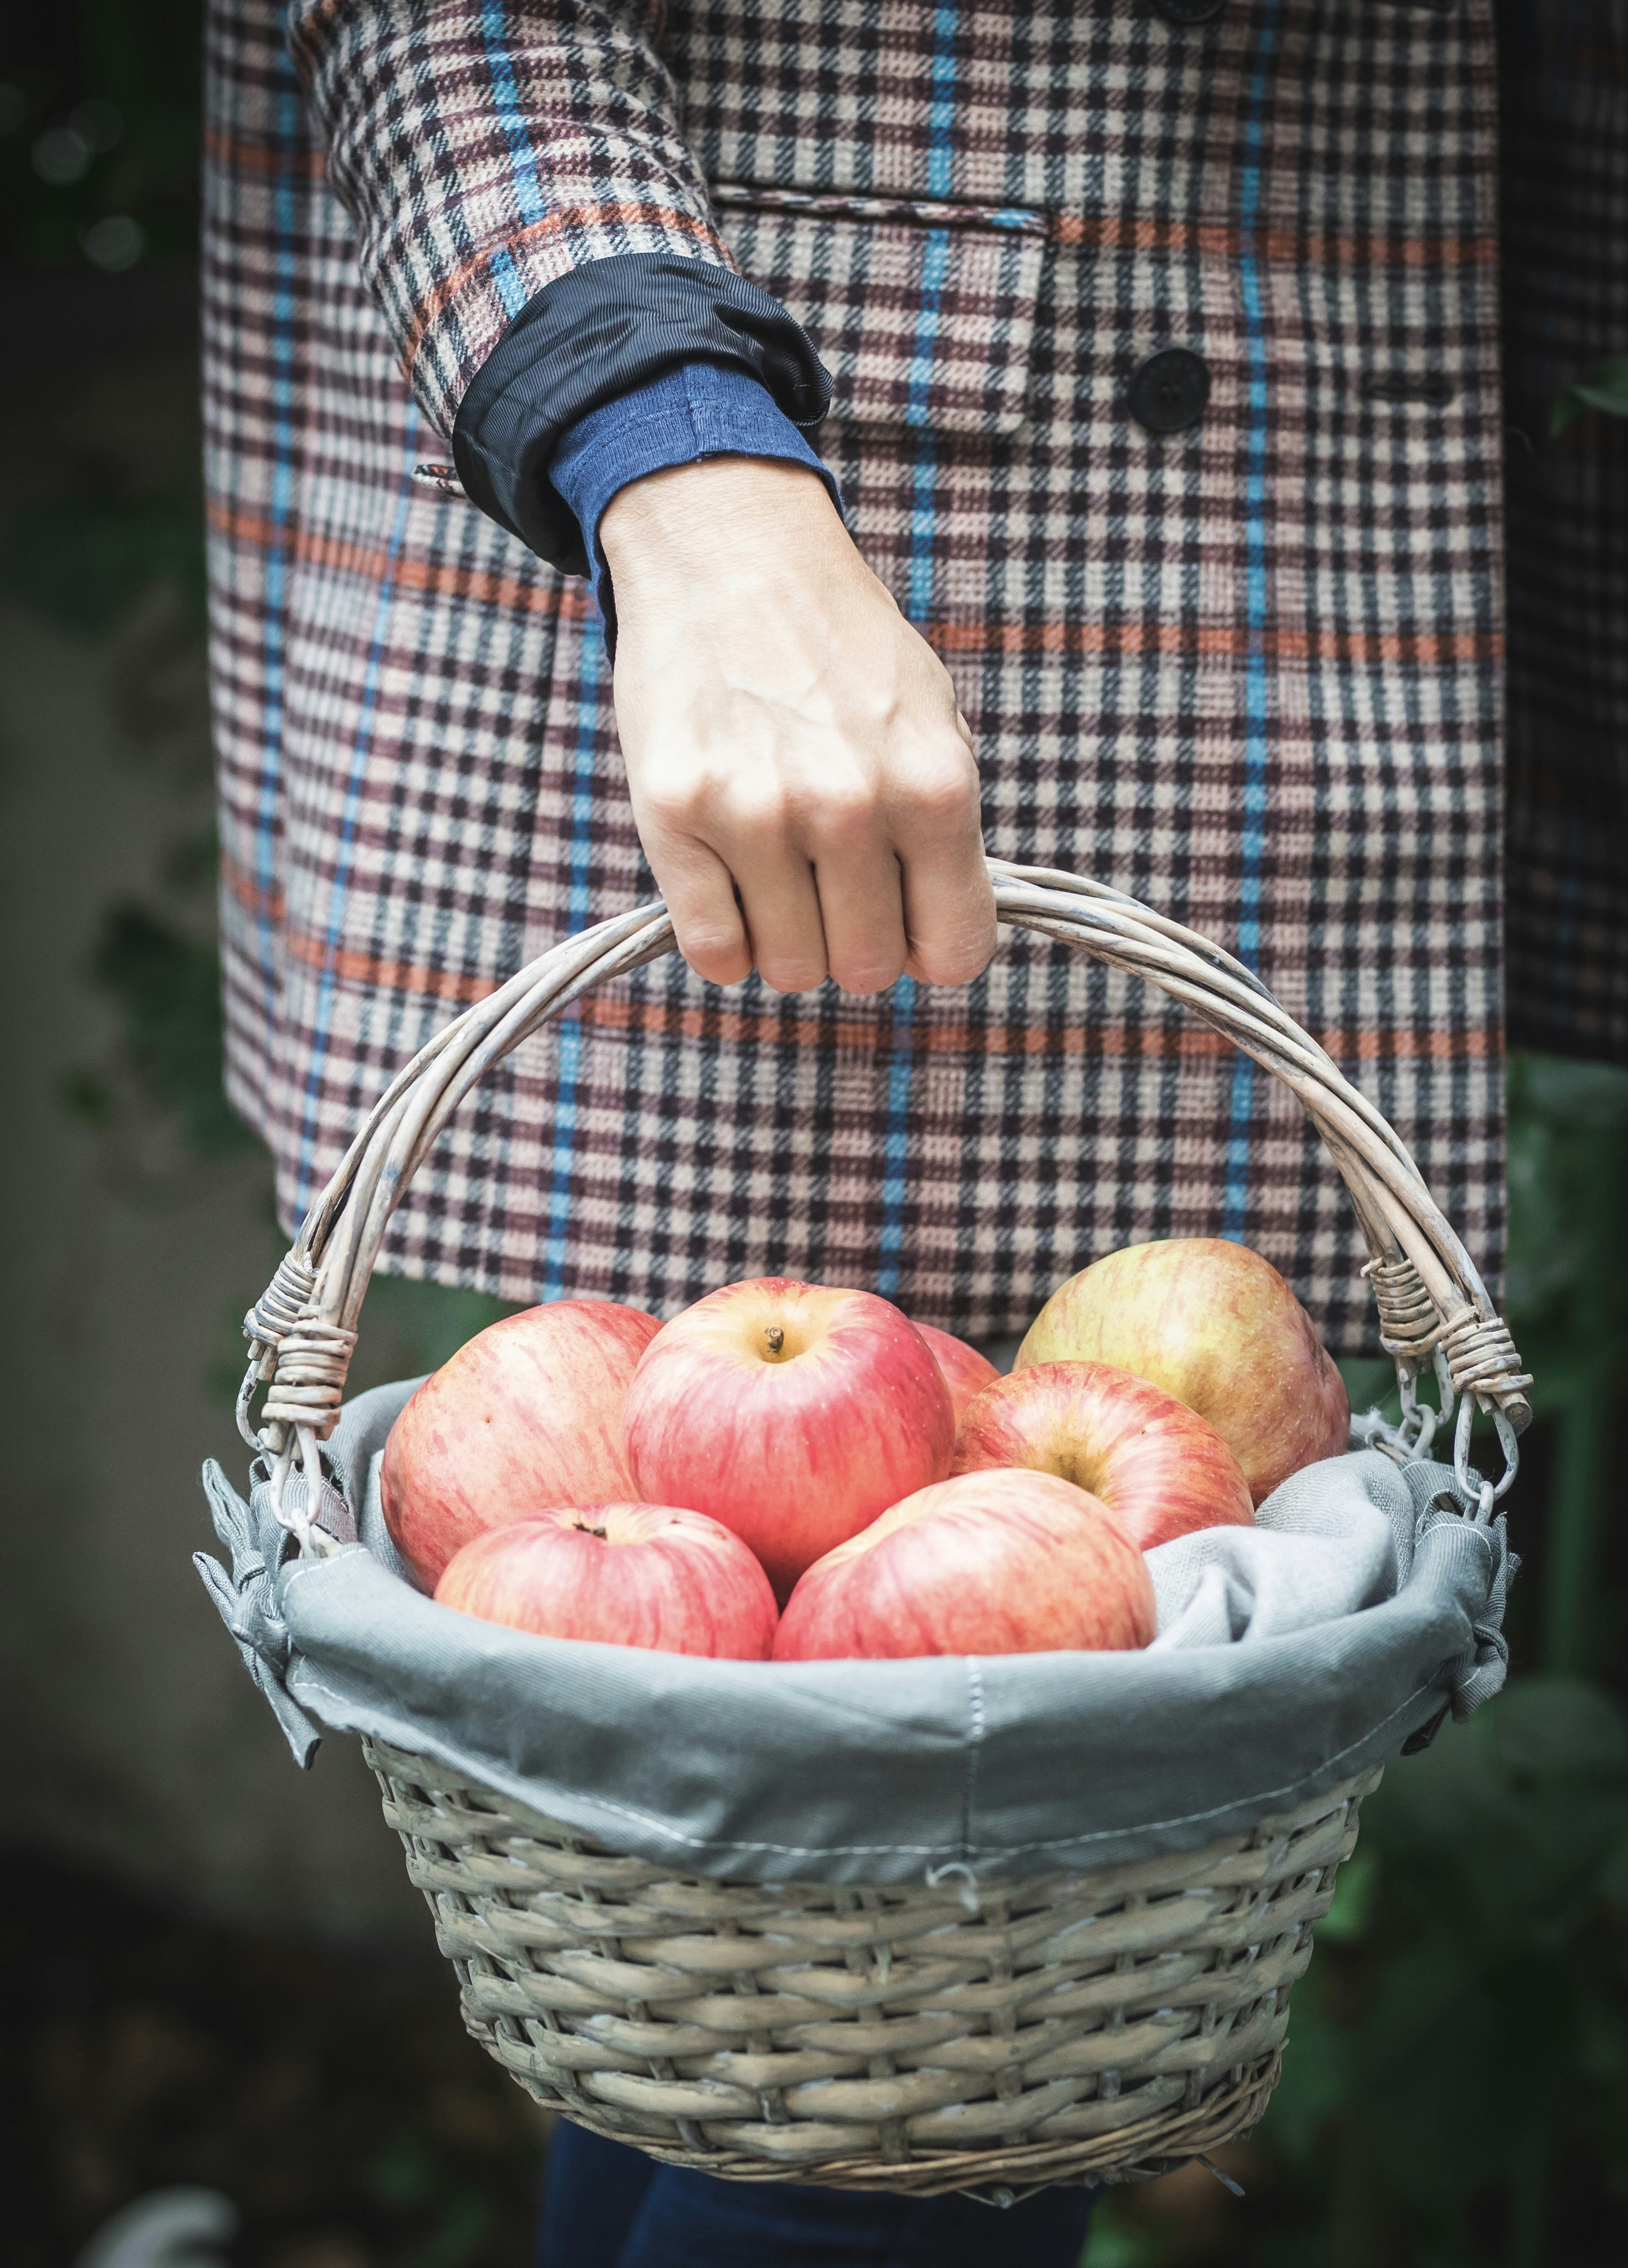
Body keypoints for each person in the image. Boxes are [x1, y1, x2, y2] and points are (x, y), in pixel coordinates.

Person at [202, 1, 1532, 2260]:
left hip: (1319, 542)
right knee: (880, 2049)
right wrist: (675, 450)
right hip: (819, 583)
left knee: (746, 2016)